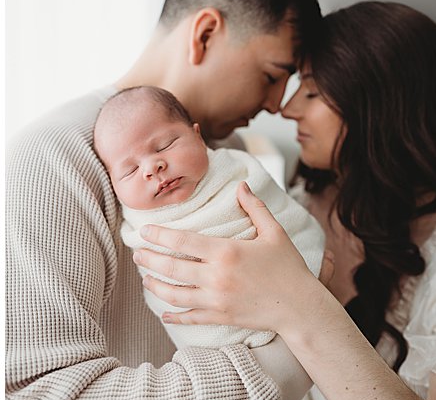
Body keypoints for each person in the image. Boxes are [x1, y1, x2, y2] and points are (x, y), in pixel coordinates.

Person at [5, 0, 319, 400]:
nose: (274, 105)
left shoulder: (233, 155)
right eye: (272, 75)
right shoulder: (51, 160)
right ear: (205, 34)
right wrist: (305, 344)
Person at [134, 0, 436, 400]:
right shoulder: (297, 202)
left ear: (377, 106)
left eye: (310, 91)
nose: (286, 108)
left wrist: (299, 303)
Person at [93, 86, 325, 349]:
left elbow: (287, 221)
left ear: (198, 137)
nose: (151, 167)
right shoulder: (139, 226)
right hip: (225, 345)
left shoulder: (235, 171)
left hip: (298, 301)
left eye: (164, 145)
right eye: (130, 170)